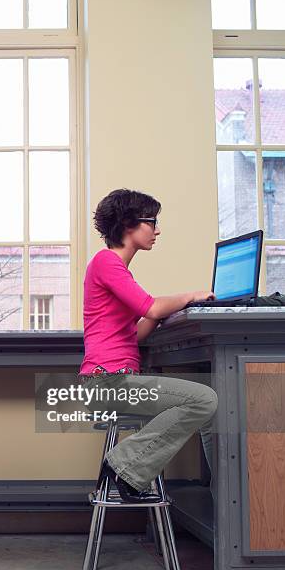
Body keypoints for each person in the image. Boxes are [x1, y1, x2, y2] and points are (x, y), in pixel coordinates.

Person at [80, 188, 218, 503]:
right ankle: (123, 464)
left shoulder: (115, 268)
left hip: (111, 380)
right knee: (204, 399)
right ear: (129, 224)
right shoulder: (107, 262)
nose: (157, 230)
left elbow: (137, 333)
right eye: (151, 222)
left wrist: (160, 313)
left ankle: (220, 494)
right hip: (107, 383)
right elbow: (151, 307)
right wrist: (190, 296)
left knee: (208, 406)